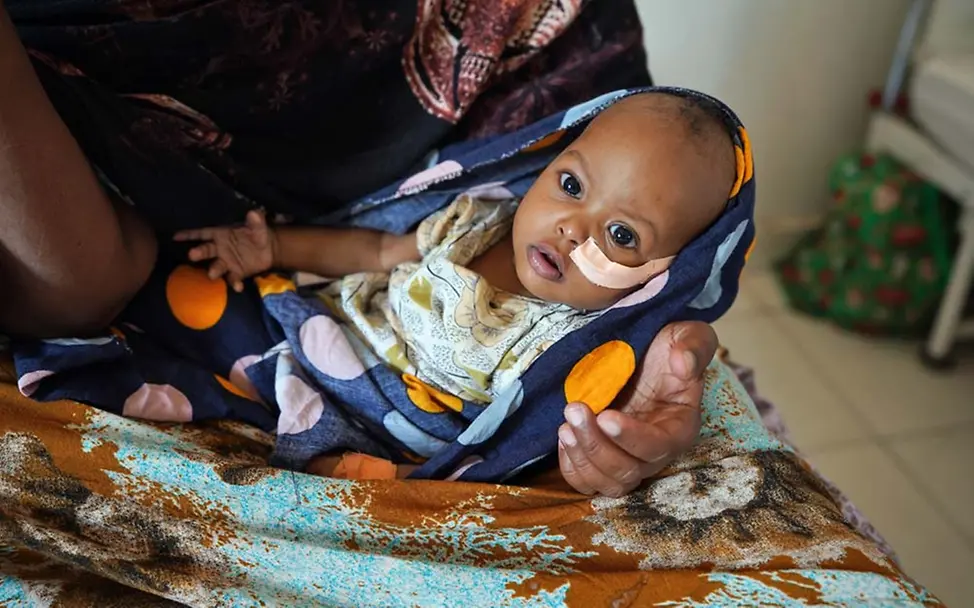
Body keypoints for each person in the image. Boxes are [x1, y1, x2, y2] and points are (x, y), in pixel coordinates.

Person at [0, 0, 718, 497]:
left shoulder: (576, 341)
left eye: (622, 236)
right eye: (569, 185)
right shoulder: (479, 222)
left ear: (668, 271)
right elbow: (378, 254)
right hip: (329, 323)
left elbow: (544, 432)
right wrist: (272, 247)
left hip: (388, 413)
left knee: (326, 439)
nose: (572, 228)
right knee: (198, 304)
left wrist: (637, 400)